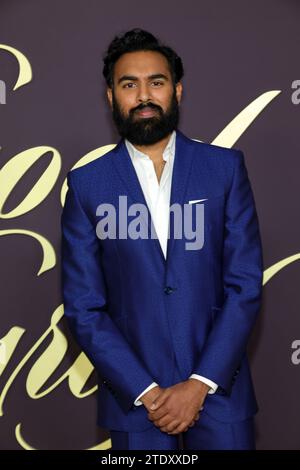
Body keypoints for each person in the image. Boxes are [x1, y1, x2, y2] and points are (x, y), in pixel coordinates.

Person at [60, 28, 263, 450]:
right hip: (136, 405)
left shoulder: (224, 170)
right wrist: (147, 392)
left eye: (157, 81)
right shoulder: (86, 186)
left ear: (177, 90)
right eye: (128, 84)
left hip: (220, 397)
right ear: (111, 97)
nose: (144, 95)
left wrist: (199, 384)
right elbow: (84, 306)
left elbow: (244, 284)